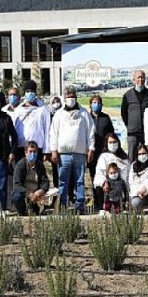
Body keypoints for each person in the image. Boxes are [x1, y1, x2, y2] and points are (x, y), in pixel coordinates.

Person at [50, 86, 95, 214]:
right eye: (68, 96)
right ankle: (63, 205)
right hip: (63, 154)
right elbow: (53, 133)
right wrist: (53, 150)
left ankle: (80, 206)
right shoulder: (59, 114)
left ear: (76, 97)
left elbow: (90, 131)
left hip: (80, 154)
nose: (70, 98)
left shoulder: (84, 113)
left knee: (80, 181)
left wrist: (91, 148)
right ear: (64, 98)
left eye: (72, 96)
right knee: (63, 181)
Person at [88, 94, 115, 211]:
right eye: (94, 103)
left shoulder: (106, 118)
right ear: (90, 105)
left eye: (98, 103)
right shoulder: (87, 118)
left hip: (103, 153)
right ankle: (97, 203)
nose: (96, 105)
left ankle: (108, 202)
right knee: (95, 178)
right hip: (91, 153)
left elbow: (111, 134)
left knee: (106, 178)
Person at [13, 80, 51, 161]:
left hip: (37, 148)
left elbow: (47, 129)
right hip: (21, 147)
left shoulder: (43, 109)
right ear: (24, 93)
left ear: (35, 92)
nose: (30, 93)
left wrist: (46, 151)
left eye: (32, 91)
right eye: (27, 91)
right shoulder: (18, 110)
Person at [121, 70, 148, 162]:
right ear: (134, 79)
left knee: (147, 156)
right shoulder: (127, 95)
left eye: (142, 77)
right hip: (132, 133)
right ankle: (131, 175)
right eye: (138, 77)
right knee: (132, 157)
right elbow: (123, 113)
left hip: (147, 133)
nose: (141, 79)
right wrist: (130, 125)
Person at [93, 134, 130, 212]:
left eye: (114, 142)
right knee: (99, 185)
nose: (113, 144)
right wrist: (104, 182)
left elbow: (128, 175)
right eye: (110, 142)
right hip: (108, 186)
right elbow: (100, 173)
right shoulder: (103, 156)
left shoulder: (125, 158)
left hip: (121, 186)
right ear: (107, 144)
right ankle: (103, 207)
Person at [12, 141, 50, 216]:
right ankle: (22, 211)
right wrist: (29, 194)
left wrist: (41, 190)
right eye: (30, 151)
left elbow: (45, 181)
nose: (32, 154)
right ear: (26, 152)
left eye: (34, 151)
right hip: (25, 194)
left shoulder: (40, 165)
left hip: (37, 195)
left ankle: (37, 209)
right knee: (16, 196)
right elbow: (17, 185)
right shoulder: (20, 165)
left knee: (53, 194)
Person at [46, 96, 62, 188]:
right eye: (54, 102)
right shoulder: (49, 116)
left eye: (58, 101)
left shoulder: (64, 114)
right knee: (55, 169)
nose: (56, 103)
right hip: (53, 146)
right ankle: (56, 188)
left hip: (64, 145)